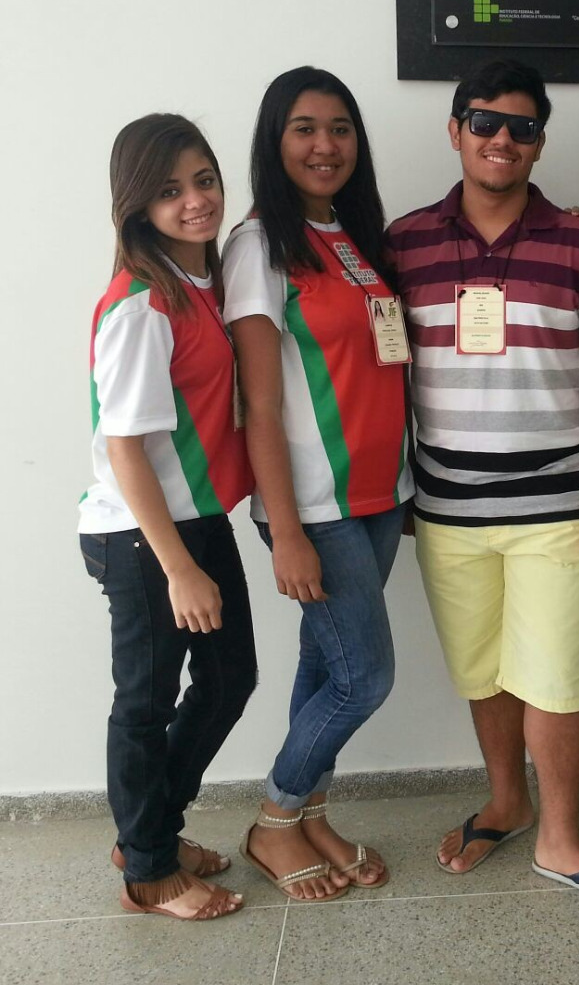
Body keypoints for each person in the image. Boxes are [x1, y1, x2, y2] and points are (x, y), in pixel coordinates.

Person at [386, 59, 579, 913]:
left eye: (523, 127)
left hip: (558, 506)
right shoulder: (403, 244)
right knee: (484, 671)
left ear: (540, 142)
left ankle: (561, 837)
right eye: (485, 122)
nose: (503, 138)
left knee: (558, 676)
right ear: (455, 130)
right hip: (447, 509)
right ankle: (508, 801)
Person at [223, 66, 414, 900]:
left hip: (381, 497)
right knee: (364, 679)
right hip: (315, 503)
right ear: (275, 141)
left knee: (323, 665)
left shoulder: (352, 235)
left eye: (339, 128)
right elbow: (259, 405)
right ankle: (274, 818)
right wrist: (288, 531)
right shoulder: (258, 245)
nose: (324, 145)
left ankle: (310, 814)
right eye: (304, 128)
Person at [79, 114, 256, 920]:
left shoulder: (196, 286)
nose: (195, 201)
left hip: (195, 517)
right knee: (145, 703)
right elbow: (125, 448)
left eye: (204, 180)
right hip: (144, 533)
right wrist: (178, 567)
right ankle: (149, 871)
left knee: (228, 680)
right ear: (136, 206)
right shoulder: (143, 304)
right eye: (169, 190)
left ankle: (148, 832)